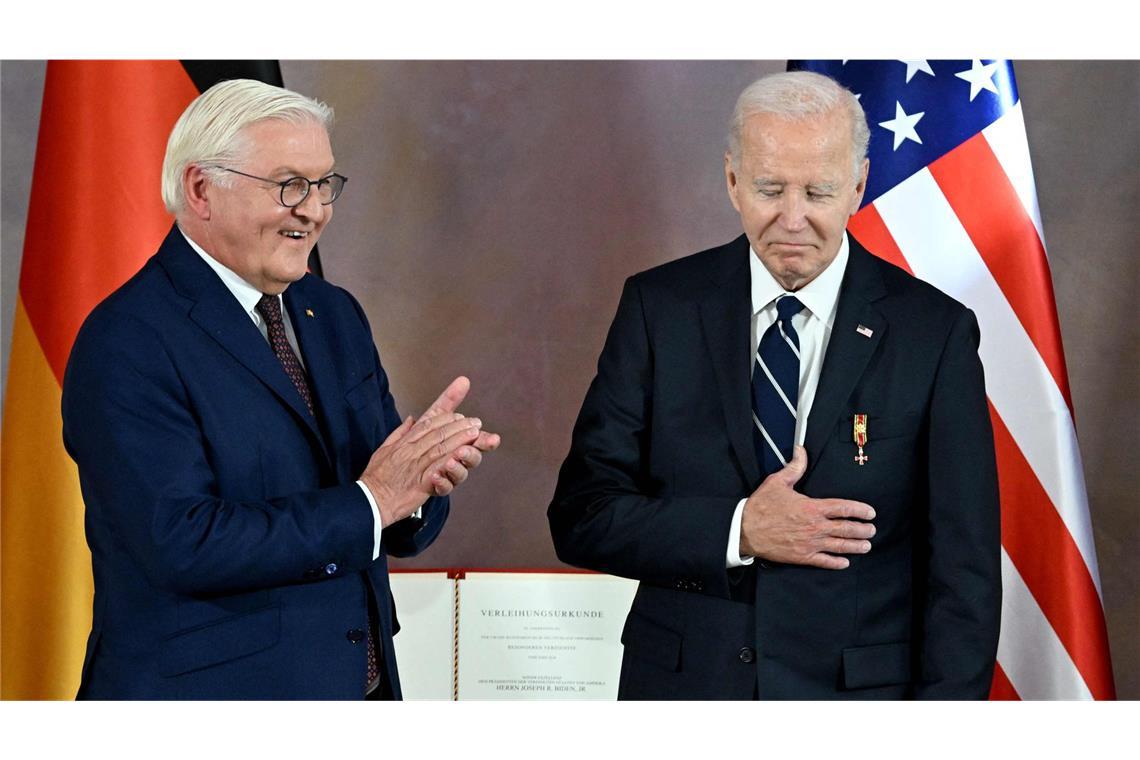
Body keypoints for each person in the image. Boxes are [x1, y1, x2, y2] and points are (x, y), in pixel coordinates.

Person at [548, 71, 1000, 699]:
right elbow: (582, 517)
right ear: (733, 180)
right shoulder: (659, 308)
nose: (793, 220)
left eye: (818, 191)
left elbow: (965, 573)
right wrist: (740, 530)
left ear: (859, 185)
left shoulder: (935, 333)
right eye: (769, 189)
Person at [62, 79, 500, 700]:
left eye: (324, 185)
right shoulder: (127, 339)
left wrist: (420, 485)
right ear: (201, 189)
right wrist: (375, 500)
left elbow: (381, 499)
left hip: (357, 687)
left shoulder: (334, 313)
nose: (314, 209)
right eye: (289, 184)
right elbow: (182, 541)